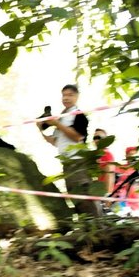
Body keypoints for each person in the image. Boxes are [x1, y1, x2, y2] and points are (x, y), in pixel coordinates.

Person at [37, 84, 101, 217]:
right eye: (64, 95)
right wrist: (40, 128)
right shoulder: (61, 117)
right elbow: (54, 141)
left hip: (78, 161)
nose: (66, 98)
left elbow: (78, 137)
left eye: (70, 95)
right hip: (66, 163)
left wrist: (57, 124)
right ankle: (86, 227)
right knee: (75, 196)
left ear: (77, 97)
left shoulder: (79, 115)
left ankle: (98, 226)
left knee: (85, 195)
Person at [93, 128, 116, 197]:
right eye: (94, 138)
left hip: (104, 193)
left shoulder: (107, 154)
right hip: (97, 190)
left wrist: (108, 194)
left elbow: (110, 173)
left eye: (99, 137)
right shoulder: (96, 155)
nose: (96, 140)